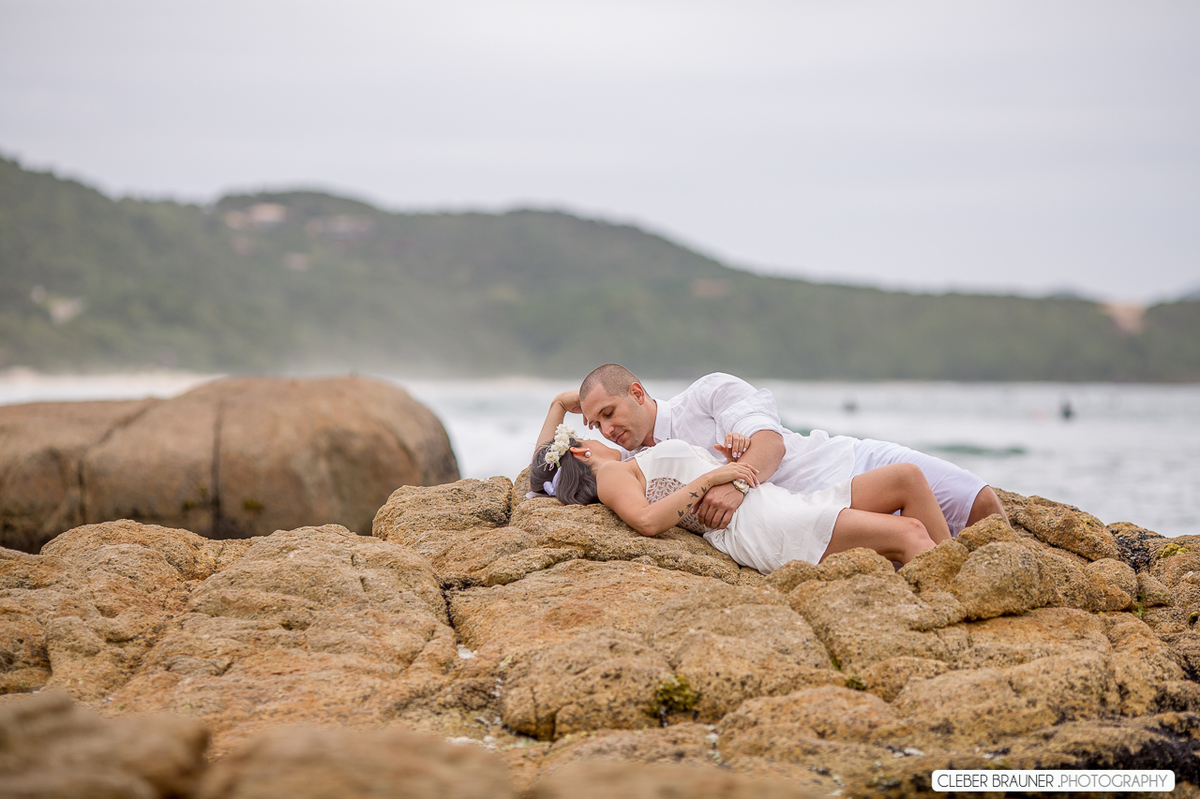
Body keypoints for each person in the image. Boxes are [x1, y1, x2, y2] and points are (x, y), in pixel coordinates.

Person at [570, 364, 1009, 536]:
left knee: (981, 503)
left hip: (850, 465)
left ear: (637, 392)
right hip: (808, 517)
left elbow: (769, 442)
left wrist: (738, 481)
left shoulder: (707, 394)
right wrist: (556, 406)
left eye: (609, 413)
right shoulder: (628, 468)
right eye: (595, 424)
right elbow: (543, 477)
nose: (607, 430)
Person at [529, 403, 950, 571]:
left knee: (906, 478)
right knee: (908, 534)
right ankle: (951, 602)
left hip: (771, 500)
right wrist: (711, 478)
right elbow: (646, 520)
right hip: (759, 525)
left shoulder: (623, 465)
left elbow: (540, 464)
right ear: (581, 453)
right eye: (589, 433)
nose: (602, 432)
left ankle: (958, 573)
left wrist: (559, 405)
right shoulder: (610, 475)